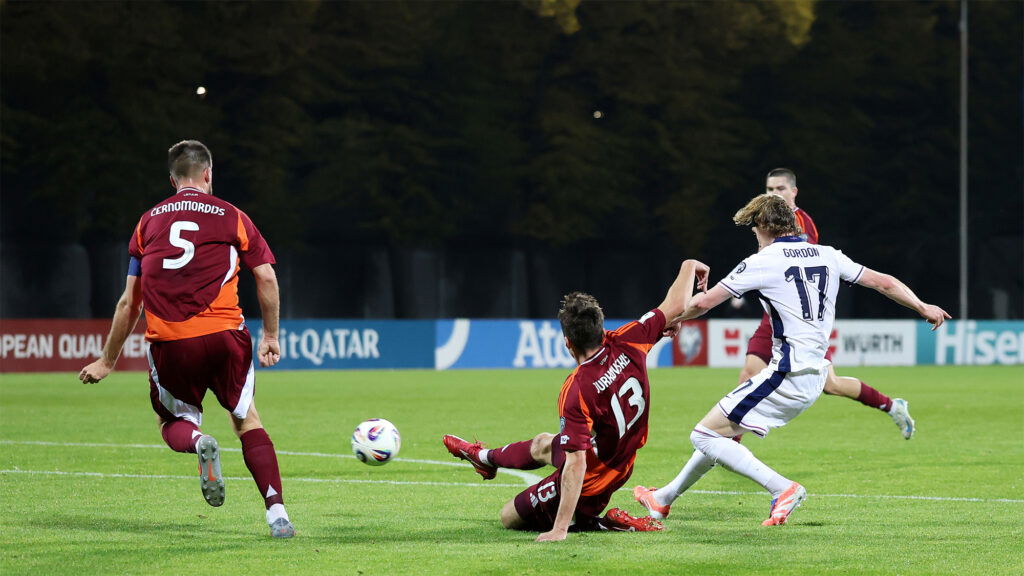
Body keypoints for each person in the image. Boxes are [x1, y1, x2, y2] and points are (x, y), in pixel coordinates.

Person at [634, 194, 949, 526]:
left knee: (703, 435)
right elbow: (883, 282)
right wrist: (922, 306)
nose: (755, 238)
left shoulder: (763, 260)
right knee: (721, 432)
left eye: (755, 230)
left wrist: (668, 320)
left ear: (765, 227)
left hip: (785, 376)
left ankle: (782, 488)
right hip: (814, 373)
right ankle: (662, 499)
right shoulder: (828, 255)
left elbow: (703, 303)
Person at [78, 140, 295, 539]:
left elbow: (130, 302)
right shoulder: (233, 217)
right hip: (226, 337)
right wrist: (271, 335)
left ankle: (197, 441)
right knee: (247, 420)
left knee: (172, 420)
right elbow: (265, 276)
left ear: (173, 179)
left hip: (173, 343)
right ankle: (276, 510)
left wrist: (107, 360)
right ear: (208, 173)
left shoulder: (147, 224)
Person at [443, 259, 709, 542]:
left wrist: (559, 529)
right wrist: (689, 265)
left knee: (508, 516)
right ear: (600, 326)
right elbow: (677, 306)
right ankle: (483, 458)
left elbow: (576, 463)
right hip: (620, 455)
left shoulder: (577, 389)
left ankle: (602, 522)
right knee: (544, 443)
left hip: (595, 480)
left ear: (567, 342)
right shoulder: (628, 338)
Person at [739, 168, 916, 439]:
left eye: (780, 189)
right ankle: (731, 444)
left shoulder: (800, 221)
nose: (774, 194)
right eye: (770, 189)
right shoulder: (769, 222)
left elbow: (799, 264)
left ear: (794, 192)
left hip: (799, 321)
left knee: (831, 385)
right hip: (775, 318)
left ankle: (892, 405)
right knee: (749, 372)